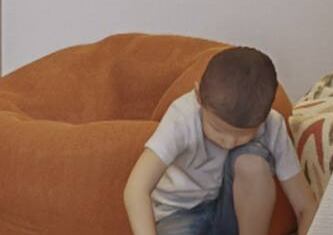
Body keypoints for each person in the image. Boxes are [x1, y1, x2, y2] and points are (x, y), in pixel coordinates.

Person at [121, 46, 317, 235]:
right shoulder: (182, 116)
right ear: (198, 97)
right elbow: (136, 189)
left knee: (252, 163)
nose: (229, 143)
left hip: (234, 215)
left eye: (243, 135)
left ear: (265, 116)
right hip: (178, 215)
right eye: (218, 130)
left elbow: (306, 206)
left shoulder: (272, 124)